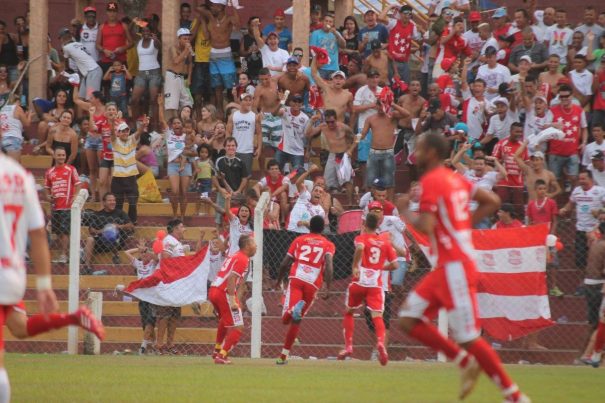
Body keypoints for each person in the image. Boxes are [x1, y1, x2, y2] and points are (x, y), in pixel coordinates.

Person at [397, 133, 529, 402]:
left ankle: (515, 396)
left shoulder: (432, 181)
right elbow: (492, 201)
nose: (416, 153)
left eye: (419, 149)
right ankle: (464, 362)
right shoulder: (456, 179)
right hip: (448, 266)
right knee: (408, 320)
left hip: (456, 267)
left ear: (431, 153)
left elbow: (426, 226)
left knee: (469, 338)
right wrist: (462, 224)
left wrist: (404, 211)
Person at [0, 148, 106, 402]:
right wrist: (45, 284)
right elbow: (37, 234)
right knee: (20, 327)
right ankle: (72, 317)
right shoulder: (21, 177)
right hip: (12, 274)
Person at [338, 212, 398, 365]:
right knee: (377, 316)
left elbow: (359, 248)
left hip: (359, 282)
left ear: (364, 225)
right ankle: (380, 344)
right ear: (378, 225)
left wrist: (354, 266)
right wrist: (382, 267)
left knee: (349, 312)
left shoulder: (361, 237)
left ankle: (349, 346)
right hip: (375, 284)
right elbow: (396, 265)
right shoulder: (385, 243)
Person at [274, 215, 334, 365]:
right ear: (323, 229)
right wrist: (328, 286)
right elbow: (329, 265)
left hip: (297, 278)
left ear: (310, 226)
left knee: (285, 319)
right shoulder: (328, 244)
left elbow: (284, 263)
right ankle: (283, 356)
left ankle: (293, 309)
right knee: (296, 320)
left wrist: (279, 280)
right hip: (313, 283)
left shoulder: (299, 240)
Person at [208, 234, 257, 364]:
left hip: (214, 289)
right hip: (224, 292)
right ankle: (222, 356)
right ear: (247, 245)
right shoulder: (243, 258)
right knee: (238, 327)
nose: (256, 246)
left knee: (224, 320)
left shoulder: (234, 255)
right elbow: (231, 279)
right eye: (253, 243)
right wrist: (232, 300)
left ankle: (217, 350)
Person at [198, 0, 241, 117]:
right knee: (217, 86)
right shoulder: (211, 18)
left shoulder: (229, 18)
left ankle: (234, 109)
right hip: (213, 55)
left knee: (231, 86)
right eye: (211, 5)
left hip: (225, 55)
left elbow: (238, 25)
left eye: (213, 5)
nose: (211, 7)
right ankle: (220, 110)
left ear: (221, 7)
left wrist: (233, 5)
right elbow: (198, 9)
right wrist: (203, 17)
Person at [305, 109, 357, 204]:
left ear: (336, 119)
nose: (330, 124)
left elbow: (355, 138)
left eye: (332, 122)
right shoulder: (323, 127)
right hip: (332, 155)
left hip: (343, 155)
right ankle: (326, 203)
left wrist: (350, 150)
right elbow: (308, 134)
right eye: (328, 122)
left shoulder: (343, 127)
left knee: (347, 181)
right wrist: (312, 121)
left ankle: (350, 203)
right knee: (326, 182)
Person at [158, 95, 196, 221]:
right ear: (172, 126)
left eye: (178, 122)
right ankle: (175, 215)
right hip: (173, 165)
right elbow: (162, 120)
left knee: (184, 192)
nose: (176, 125)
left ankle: (182, 217)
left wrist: (187, 154)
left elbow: (195, 152)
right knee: (175, 192)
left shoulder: (188, 135)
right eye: (174, 123)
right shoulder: (169, 134)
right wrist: (160, 105)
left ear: (182, 124)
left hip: (186, 165)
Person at [559, 170, 605, 271]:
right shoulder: (577, 191)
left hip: (596, 229)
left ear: (591, 179)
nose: (581, 181)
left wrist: (599, 212)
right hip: (581, 228)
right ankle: (584, 277)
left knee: (596, 255)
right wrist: (564, 209)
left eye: (584, 179)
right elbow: (570, 204)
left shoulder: (600, 190)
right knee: (580, 256)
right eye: (580, 179)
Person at [154, 219, 187, 355]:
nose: (184, 229)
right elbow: (166, 259)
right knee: (164, 315)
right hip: (167, 282)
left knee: (174, 315)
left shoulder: (176, 243)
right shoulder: (169, 241)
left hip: (175, 283)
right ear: (174, 229)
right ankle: (159, 345)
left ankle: (169, 345)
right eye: (181, 227)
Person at [44, 147, 81, 263]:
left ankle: (64, 255)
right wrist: (48, 196)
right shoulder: (49, 171)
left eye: (63, 155)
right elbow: (46, 188)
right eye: (59, 155)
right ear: (54, 156)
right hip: (55, 206)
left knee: (65, 231)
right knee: (58, 231)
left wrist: (75, 197)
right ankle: (64, 254)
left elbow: (78, 184)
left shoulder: (71, 169)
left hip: (67, 206)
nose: (61, 157)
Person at [110, 116, 147, 224]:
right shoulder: (115, 142)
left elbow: (139, 132)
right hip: (118, 178)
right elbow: (112, 134)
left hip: (131, 177)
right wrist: (112, 123)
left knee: (132, 203)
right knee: (118, 204)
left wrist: (143, 125)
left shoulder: (132, 140)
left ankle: (132, 223)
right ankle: (118, 223)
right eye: (122, 131)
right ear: (118, 133)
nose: (125, 133)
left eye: (127, 131)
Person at [83, 193, 133, 272]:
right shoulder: (97, 214)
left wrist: (118, 226)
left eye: (114, 200)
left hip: (117, 242)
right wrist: (104, 230)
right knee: (89, 239)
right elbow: (91, 230)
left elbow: (130, 225)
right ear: (104, 202)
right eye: (110, 200)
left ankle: (115, 255)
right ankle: (86, 267)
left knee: (112, 232)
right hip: (101, 242)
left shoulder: (120, 213)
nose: (113, 202)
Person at [124, 240, 158, 354]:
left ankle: (143, 347)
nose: (144, 255)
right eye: (142, 254)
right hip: (142, 298)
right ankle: (154, 344)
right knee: (146, 323)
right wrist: (138, 250)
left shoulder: (153, 263)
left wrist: (147, 250)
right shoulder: (138, 264)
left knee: (150, 321)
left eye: (146, 254)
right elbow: (126, 252)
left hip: (153, 298)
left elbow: (157, 257)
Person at [379, 5, 420, 84]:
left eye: (409, 13)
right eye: (405, 13)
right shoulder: (394, 23)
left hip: (405, 62)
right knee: (392, 86)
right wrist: (391, 6)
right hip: (392, 61)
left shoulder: (412, 26)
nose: (407, 15)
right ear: (400, 13)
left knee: (405, 86)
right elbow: (380, 18)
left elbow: (417, 39)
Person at [213, 137, 249, 229]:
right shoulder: (219, 160)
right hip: (223, 194)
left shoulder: (241, 162)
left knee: (237, 218)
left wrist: (238, 191)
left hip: (236, 196)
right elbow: (213, 177)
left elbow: (244, 178)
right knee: (219, 218)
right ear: (224, 147)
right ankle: (218, 238)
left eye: (233, 145)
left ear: (236, 147)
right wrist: (220, 189)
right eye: (228, 146)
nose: (231, 148)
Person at [59, 27, 103, 100]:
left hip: (93, 71)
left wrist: (67, 71)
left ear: (62, 38)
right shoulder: (79, 44)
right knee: (80, 98)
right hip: (89, 72)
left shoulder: (66, 47)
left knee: (91, 99)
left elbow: (66, 62)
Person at [131, 24, 161, 125]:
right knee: (134, 99)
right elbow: (130, 33)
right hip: (141, 74)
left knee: (153, 100)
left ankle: (155, 125)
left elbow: (159, 47)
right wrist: (133, 22)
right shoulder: (139, 42)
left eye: (147, 31)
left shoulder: (154, 41)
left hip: (154, 73)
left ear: (151, 32)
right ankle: (135, 124)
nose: (145, 33)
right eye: (143, 31)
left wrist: (156, 39)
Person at [584, 222, 605, 368]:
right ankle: (590, 354)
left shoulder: (595, 243)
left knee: (595, 323)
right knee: (599, 323)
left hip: (589, 282)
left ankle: (590, 354)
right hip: (599, 283)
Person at [227, 92, 261, 175]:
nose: (248, 102)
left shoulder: (255, 116)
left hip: (248, 150)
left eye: (250, 100)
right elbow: (228, 132)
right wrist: (227, 147)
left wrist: (259, 148)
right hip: (234, 150)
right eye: (246, 100)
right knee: (233, 174)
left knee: (246, 175)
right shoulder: (233, 116)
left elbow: (259, 133)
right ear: (240, 101)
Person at [163, 28, 193, 119]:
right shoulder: (173, 48)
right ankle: (174, 123)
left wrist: (189, 78)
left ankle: (184, 120)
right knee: (172, 104)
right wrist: (186, 50)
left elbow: (190, 63)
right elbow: (176, 61)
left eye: (188, 39)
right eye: (184, 39)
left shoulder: (187, 49)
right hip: (172, 76)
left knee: (187, 101)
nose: (187, 41)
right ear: (179, 39)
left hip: (181, 78)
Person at [274, 94, 310, 172]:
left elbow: (308, 136)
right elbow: (274, 113)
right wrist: (281, 103)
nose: (296, 103)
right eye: (294, 101)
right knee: (275, 171)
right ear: (290, 102)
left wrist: (307, 151)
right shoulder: (285, 110)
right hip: (283, 148)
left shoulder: (305, 118)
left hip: (298, 151)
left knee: (298, 173)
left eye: (299, 101)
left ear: (302, 104)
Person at [288, 164, 326, 233]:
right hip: (292, 231)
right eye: (316, 190)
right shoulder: (305, 196)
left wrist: (305, 223)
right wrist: (309, 171)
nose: (318, 193)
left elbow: (317, 229)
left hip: (306, 235)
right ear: (311, 192)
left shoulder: (321, 211)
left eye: (320, 192)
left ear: (322, 196)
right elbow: (298, 182)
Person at [310, 14, 345, 79]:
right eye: (326, 21)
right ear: (322, 22)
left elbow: (343, 45)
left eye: (330, 21)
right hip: (321, 68)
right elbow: (312, 50)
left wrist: (336, 34)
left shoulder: (336, 33)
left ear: (332, 24)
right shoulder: (315, 33)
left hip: (334, 68)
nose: (328, 23)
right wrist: (317, 65)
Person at [0, 97, 33, 161]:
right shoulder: (17, 108)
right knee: (13, 167)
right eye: (19, 102)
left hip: (2, 138)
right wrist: (29, 115)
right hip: (13, 138)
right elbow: (27, 124)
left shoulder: (1, 109)